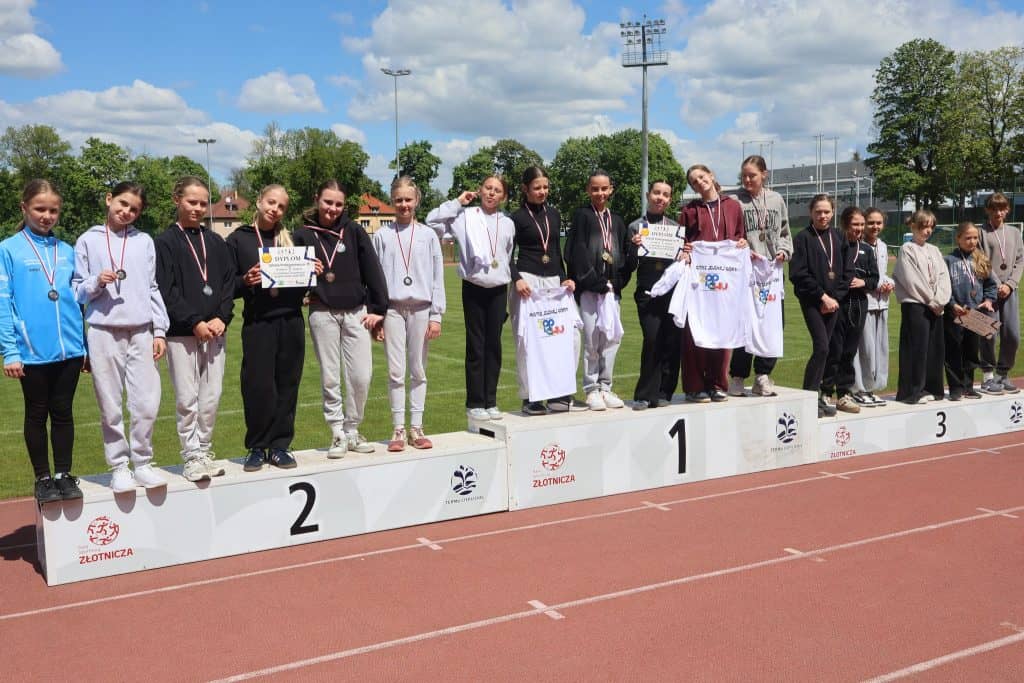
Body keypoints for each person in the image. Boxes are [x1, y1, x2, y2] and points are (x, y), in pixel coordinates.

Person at [73, 181, 169, 491]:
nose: (127, 211)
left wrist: (159, 330)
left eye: (134, 209)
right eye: (123, 204)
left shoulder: (144, 241)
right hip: (103, 330)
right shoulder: (88, 240)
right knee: (110, 403)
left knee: (147, 402)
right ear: (109, 199)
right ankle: (119, 466)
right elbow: (77, 291)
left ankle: (143, 462)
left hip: (141, 330)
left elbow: (152, 286)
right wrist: (96, 282)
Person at [0, 180, 87, 503]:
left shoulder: (67, 250)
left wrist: (85, 346)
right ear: (24, 207)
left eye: (53, 210)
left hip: (69, 350)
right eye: (40, 209)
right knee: (36, 414)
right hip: (31, 350)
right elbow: (3, 302)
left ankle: (63, 475)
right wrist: (10, 351)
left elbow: (79, 301)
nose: (47, 216)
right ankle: (43, 478)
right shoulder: (8, 249)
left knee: (63, 412)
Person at [228, 184, 322, 471]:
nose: (275, 209)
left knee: (287, 384)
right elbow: (227, 286)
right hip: (258, 323)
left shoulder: (291, 240)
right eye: (271, 202)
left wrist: (312, 274)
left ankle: (280, 445)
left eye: (281, 206)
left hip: (291, 321)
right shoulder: (239, 239)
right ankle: (257, 447)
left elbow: (301, 289)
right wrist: (245, 281)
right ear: (259, 201)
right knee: (257, 386)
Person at [294, 180, 387, 456]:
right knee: (330, 376)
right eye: (328, 202)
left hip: (356, 312)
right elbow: (292, 281)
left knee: (362, 376)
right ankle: (337, 432)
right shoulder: (302, 234)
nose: (332, 208)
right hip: (322, 312)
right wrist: (305, 277)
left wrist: (378, 310)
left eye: (338, 204)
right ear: (317, 199)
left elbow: (373, 269)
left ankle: (353, 428)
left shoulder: (354, 230)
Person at [155, 177, 234, 482]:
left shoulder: (215, 241)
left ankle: (204, 449)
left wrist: (222, 317)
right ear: (177, 199)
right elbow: (166, 290)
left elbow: (227, 284)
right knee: (187, 399)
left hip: (215, 332)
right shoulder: (165, 242)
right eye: (192, 201)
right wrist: (194, 322)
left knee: (211, 397)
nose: (198, 208)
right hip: (181, 333)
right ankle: (190, 456)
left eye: (203, 203)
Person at [426, 176, 515, 421]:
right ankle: (475, 402)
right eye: (488, 188)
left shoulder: (508, 223)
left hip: (499, 289)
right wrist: (457, 202)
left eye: (497, 190)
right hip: (474, 287)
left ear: (504, 196)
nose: (491, 193)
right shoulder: (464, 216)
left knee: (494, 346)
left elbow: (507, 255)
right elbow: (431, 220)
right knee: (476, 345)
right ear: (479, 190)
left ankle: (491, 401)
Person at [372, 177, 444, 451]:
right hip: (392, 309)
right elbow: (375, 279)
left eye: (408, 199)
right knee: (395, 371)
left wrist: (436, 315)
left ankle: (416, 427)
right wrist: (376, 316)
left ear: (417, 201)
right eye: (399, 200)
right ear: (392, 201)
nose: (404, 204)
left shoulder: (428, 235)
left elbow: (437, 277)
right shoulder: (382, 235)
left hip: (421, 308)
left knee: (418, 370)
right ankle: (398, 429)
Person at [509, 166, 578, 415]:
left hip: (554, 282)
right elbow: (506, 254)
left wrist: (565, 278)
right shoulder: (515, 218)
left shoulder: (554, 214)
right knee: (527, 340)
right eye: (537, 187)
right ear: (525, 188)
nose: (542, 191)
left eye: (545, 187)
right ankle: (530, 397)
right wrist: (516, 278)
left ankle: (559, 392)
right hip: (527, 281)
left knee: (567, 335)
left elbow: (556, 251)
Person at [565, 170, 636, 410]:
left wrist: (618, 280)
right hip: (590, 290)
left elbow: (624, 256)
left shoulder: (617, 220)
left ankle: (606, 387)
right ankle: (591, 389)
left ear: (611, 189)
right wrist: (593, 281)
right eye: (595, 188)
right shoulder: (582, 216)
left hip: (611, 290)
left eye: (604, 188)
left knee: (611, 339)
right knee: (592, 339)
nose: (600, 193)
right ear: (588, 190)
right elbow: (576, 252)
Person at [678, 164, 747, 403]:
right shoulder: (689, 210)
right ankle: (695, 386)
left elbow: (740, 236)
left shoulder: (733, 206)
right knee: (694, 331)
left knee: (723, 329)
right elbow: (681, 241)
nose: (699, 182)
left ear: (711, 175)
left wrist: (742, 244)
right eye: (694, 181)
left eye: (701, 176)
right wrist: (685, 250)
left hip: (726, 278)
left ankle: (718, 384)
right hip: (699, 279)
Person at [728, 155, 792, 397]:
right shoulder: (734, 200)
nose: (747, 180)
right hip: (746, 272)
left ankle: (763, 375)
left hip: (772, 272)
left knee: (774, 324)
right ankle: (737, 376)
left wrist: (784, 251)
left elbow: (784, 231)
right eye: (744, 175)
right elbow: (729, 233)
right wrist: (740, 246)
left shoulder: (776, 199)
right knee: (745, 324)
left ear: (764, 174)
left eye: (752, 175)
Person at [789, 194, 851, 417]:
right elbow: (798, 274)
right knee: (822, 347)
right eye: (818, 212)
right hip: (813, 302)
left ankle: (816, 398)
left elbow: (847, 273)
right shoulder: (803, 238)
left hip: (833, 303)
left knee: (829, 350)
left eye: (826, 212)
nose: (823, 216)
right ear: (811, 213)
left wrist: (835, 298)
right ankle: (808, 400)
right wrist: (822, 297)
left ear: (833, 213)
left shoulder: (839, 237)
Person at [629, 180, 681, 410]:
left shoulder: (675, 228)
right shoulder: (635, 227)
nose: (661, 198)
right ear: (648, 195)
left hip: (672, 291)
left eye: (666, 194)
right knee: (652, 339)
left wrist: (685, 254)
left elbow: (681, 262)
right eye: (657, 193)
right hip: (648, 292)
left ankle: (664, 392)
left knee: (671, 340)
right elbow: (630, 265)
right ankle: (643, 395)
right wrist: (634, 247)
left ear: (670, 199)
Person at [821, 207, 878, 413]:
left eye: (862, 225)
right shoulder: (835, 246)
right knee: (834, 350)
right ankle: (825, 391)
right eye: (855, 224)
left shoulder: (867, 250)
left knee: (849, 351)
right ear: (845, 224)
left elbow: (875, 279)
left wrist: (864, 282)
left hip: (858, 305)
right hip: (838, 303)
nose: (859, 228)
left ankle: (844, 393)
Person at [892, 210, 951, 404]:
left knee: (935, 349)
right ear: (913, 226)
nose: (927, 231)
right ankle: (912, 392)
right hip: (916, 304)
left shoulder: (934, 250)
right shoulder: (907, 249)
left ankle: (932, 388)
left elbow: (943, 276)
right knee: (916, 348)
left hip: (937, 306)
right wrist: (932, 301)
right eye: (923, 226)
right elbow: (912, 280)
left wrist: (941, 299)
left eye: (931, 227)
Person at [944, 222, 996, 400]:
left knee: (971, 352)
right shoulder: (948, 260)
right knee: (953, 351)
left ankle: (968, 386)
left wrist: (988, 300)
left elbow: (991, 285)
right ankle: (955, 388)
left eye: (975, 238)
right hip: (955, 313)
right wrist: (952, 304)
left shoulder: (981, 259)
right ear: (958, 238)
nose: (972, 241)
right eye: (968, 238)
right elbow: (944, 287)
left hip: (974, 313)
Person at [977, 192, 1022, 394]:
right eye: (994, 209)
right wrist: (997, 284)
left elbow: (1020, 260)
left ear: (1007, 210)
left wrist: (1010, 284)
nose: (998, 212)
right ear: (987, 210)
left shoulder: (1014, 232)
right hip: (988, 290)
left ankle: (1002, 374)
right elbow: (981, 260)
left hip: (1010, 291)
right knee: (988, 332)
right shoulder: (980, 233)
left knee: (1012, 334)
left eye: (1002, 208)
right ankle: (988, 375)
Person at [852, 208, 893, 406]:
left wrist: (889, 283)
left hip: (882, 304)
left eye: (879, 223)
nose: (875, 226)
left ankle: (871, 388)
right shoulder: (856, 246)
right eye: (871, 223)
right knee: (864, 349)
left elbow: (881, 274)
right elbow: (859, 277)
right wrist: (877, 284)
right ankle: (858, 388)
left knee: (879, 349)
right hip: (864, 303)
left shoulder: (882, 246)